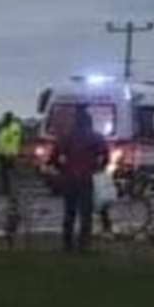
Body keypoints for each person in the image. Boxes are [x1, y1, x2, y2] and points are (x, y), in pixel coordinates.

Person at [53, 106, 108, 251]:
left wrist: (62, 168)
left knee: (69, 212)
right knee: (86, 213)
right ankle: (84, 244)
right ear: (90, 122)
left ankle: (67, 243)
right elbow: (105, 157)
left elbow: (54, 157)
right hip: (87, 178)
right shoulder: (96, 137)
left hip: (70, 177)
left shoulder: (67, 136)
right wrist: (98, 168)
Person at [0, 112, 23, 195]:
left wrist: (10, 153)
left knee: (11, 173)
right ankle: (3, 190)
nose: (4, 120)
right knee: (3, 173)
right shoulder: (5, 128)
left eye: (5, 118)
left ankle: (13, 191)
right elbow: (2, 141)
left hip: (10, 154)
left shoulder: (14, 128)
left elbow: (14, 141)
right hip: (3, 154)